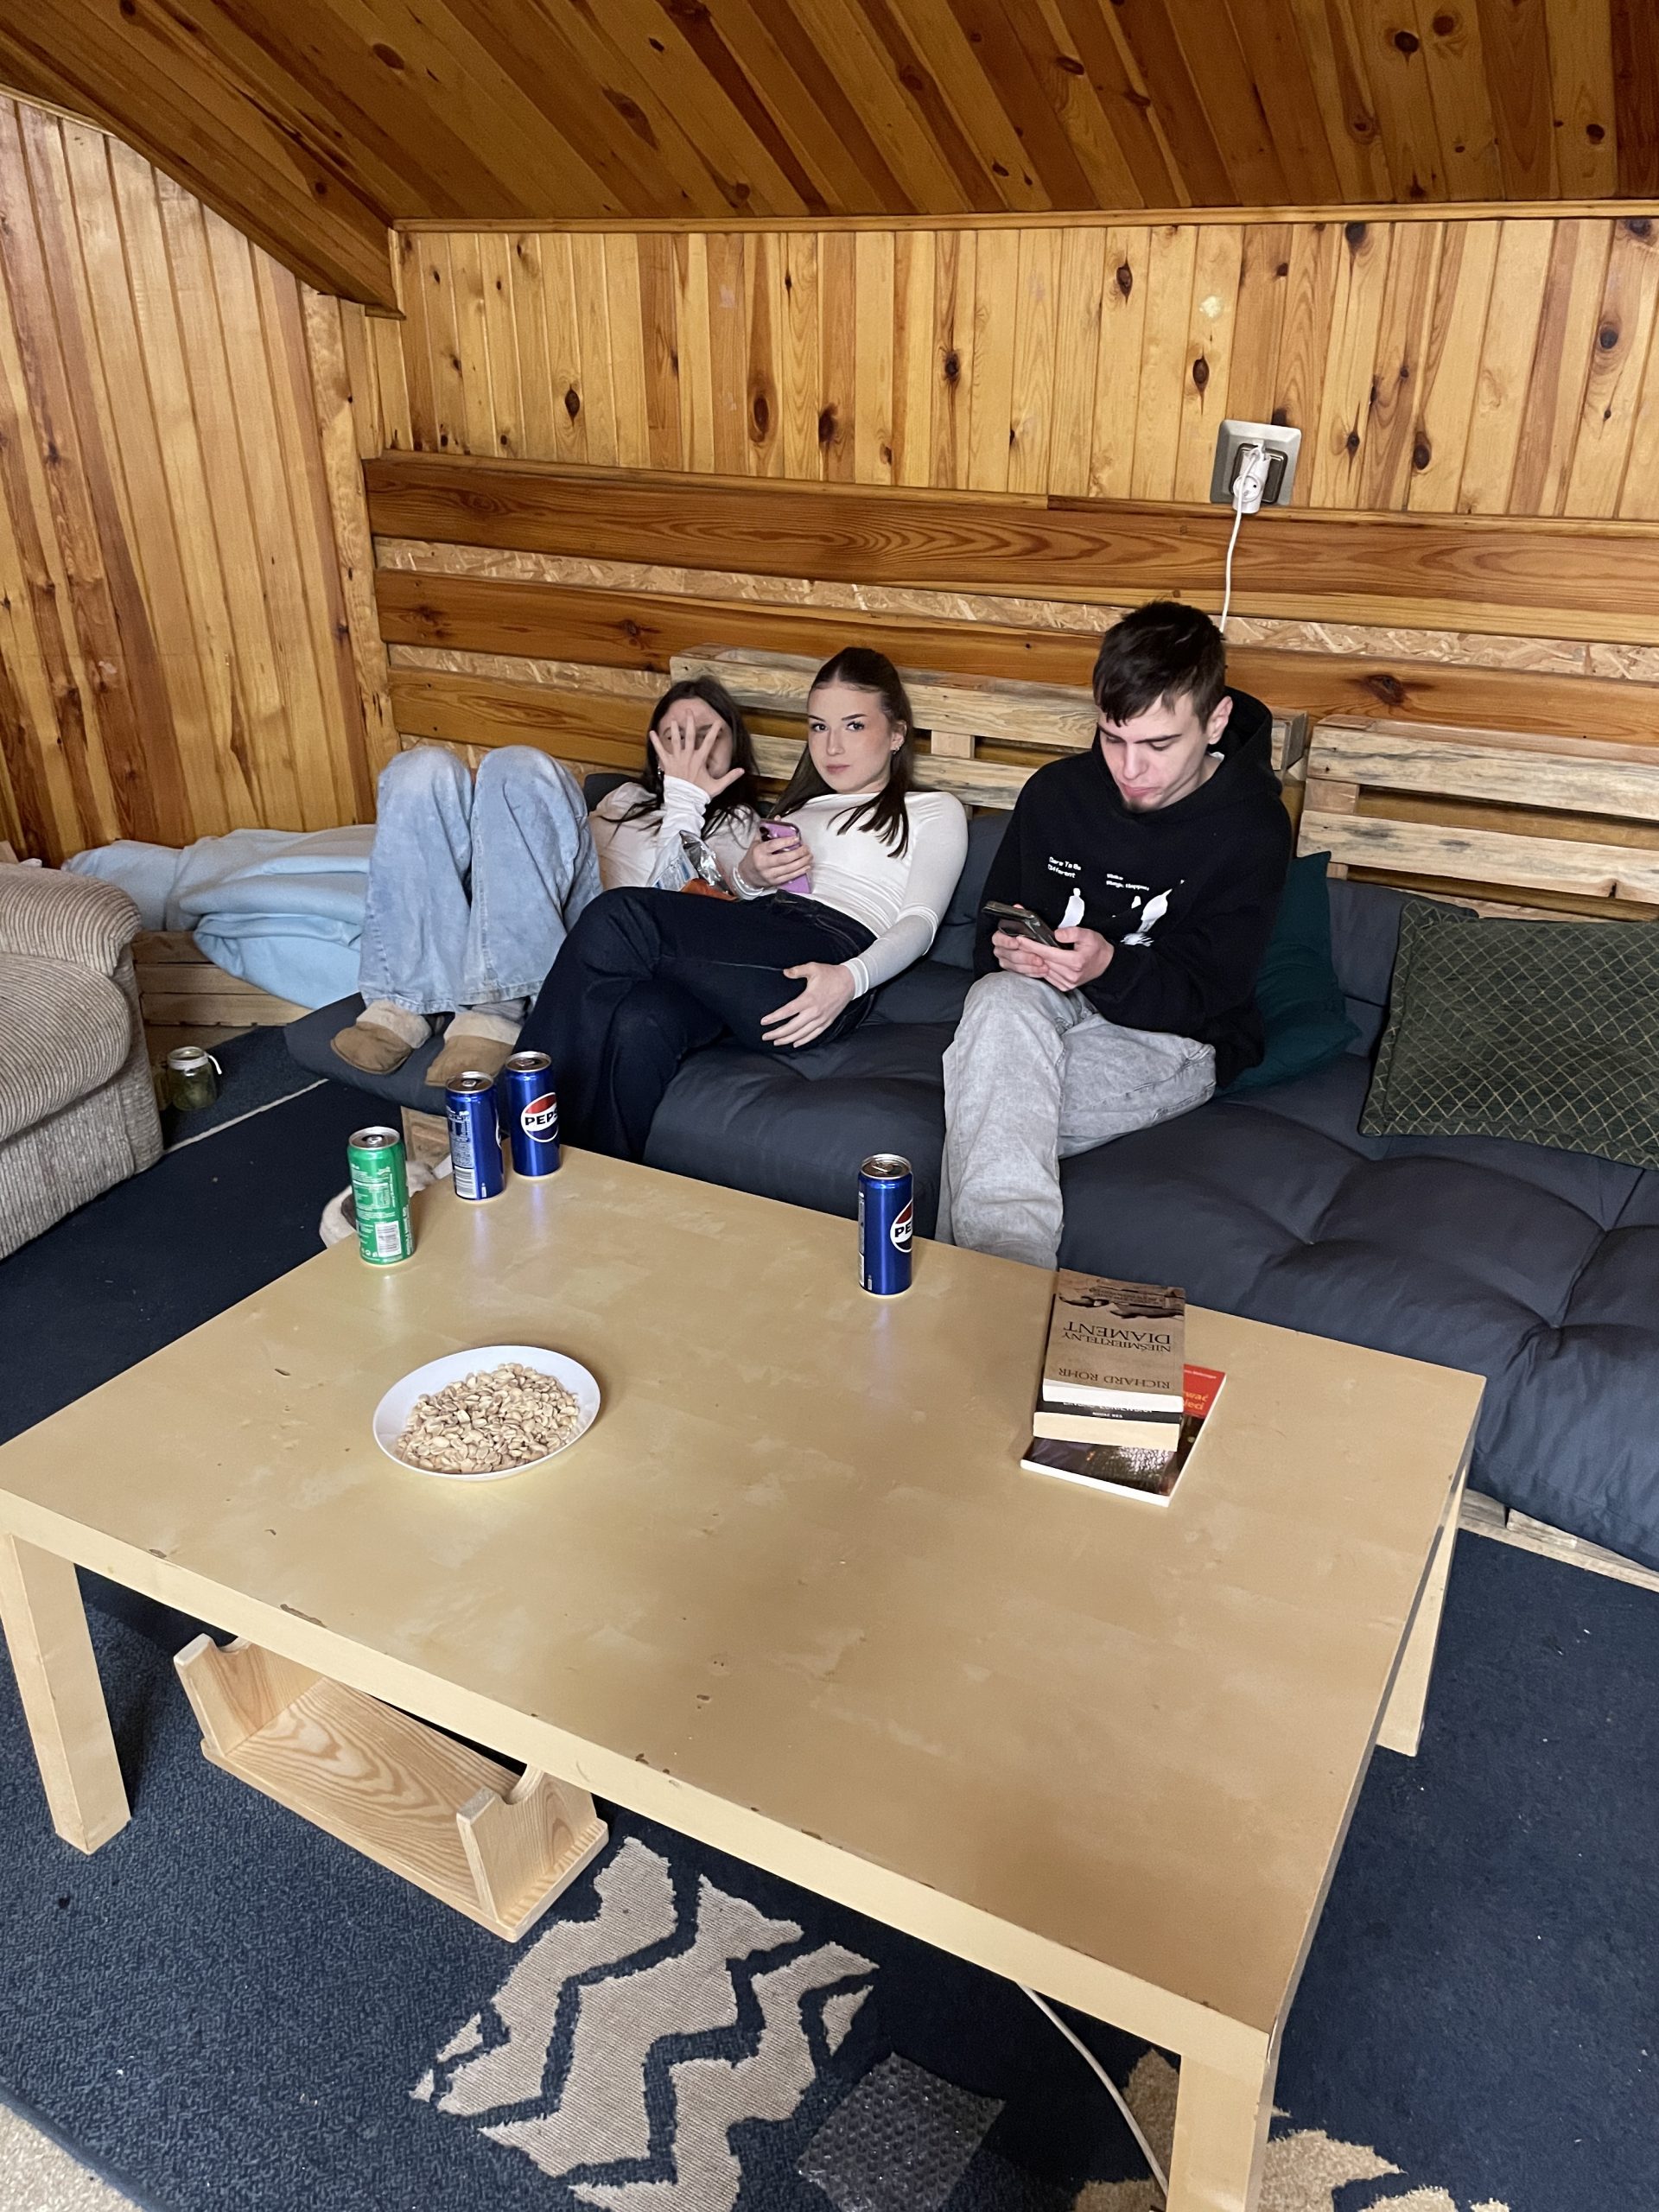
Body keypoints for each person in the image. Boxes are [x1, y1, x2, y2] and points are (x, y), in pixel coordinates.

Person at [939, 599, 1292, 1268]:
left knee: (988, 1111)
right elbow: (993, 932)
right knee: (996, 1002)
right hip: (1044, 1007)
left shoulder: (1252, 827)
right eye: (1113, 738)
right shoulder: (1056, 794)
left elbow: (1211, 993)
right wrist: (1009, 952)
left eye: (1159, 745)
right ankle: (1004, 1291)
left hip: (1175, 1037)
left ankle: (992, 1288)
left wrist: (1108, 968)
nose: (1130, 770)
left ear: (1216, 721)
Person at [517, 645, 969, 1161]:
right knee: (641, 1019)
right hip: (760, 942)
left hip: (825, 960)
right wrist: (750, 877)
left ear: (896, 733)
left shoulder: (932, 810)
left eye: (854, 726)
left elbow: (920, 922)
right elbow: (744, 905)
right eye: (818, 727)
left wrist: (849, 980)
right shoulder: (800, 807)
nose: (832, 746)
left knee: (619, 917)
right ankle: (581, 1181)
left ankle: (508, 1124)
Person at [331, 677, 764, 1087]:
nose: (690, 749)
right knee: (423, 769)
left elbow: (672, 917)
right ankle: (404, 1003)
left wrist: (686, 801)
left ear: (735, 748)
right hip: (533, 910)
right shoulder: (624, 799)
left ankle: (500, 1007)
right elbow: (546, 852)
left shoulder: (740, 825)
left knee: (525, 765)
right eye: (674, 737)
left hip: (599, 941)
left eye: (707, 735)